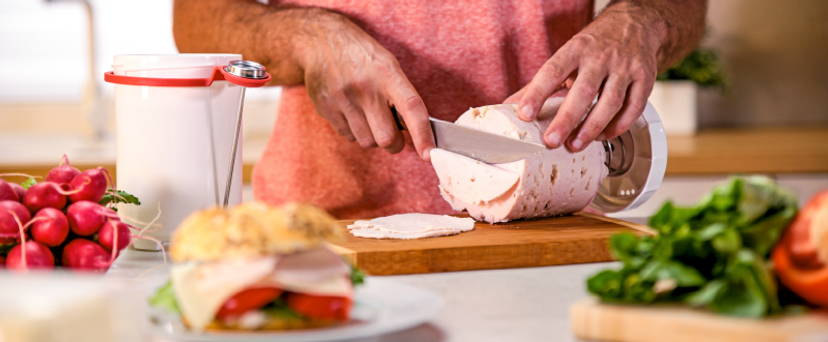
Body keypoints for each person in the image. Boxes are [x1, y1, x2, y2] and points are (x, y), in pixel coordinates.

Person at [173, 0, 706, 219]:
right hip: (327, 238)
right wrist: (303, 35)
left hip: (547, 227)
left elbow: (684, 8)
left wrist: (643, 21)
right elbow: (197, 20)